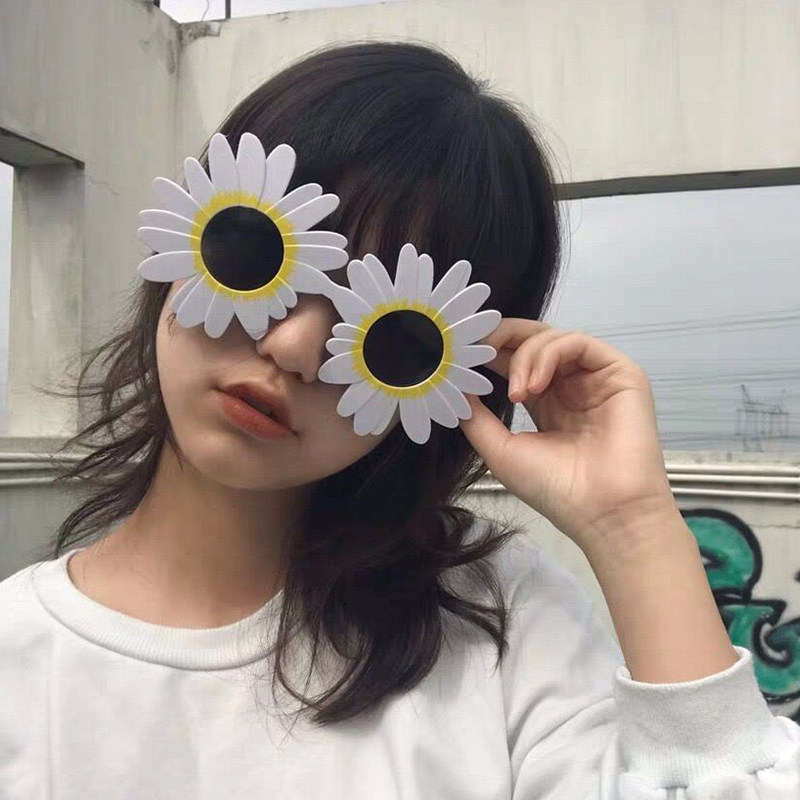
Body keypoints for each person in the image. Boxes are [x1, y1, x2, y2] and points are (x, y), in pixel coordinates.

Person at [1, 40, 798, 799]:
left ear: (456, 380)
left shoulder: (506, 633)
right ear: (182, 236)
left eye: (393, 335)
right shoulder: (17, 661)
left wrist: (634, 529)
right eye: (257, 252)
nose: (294, 347)